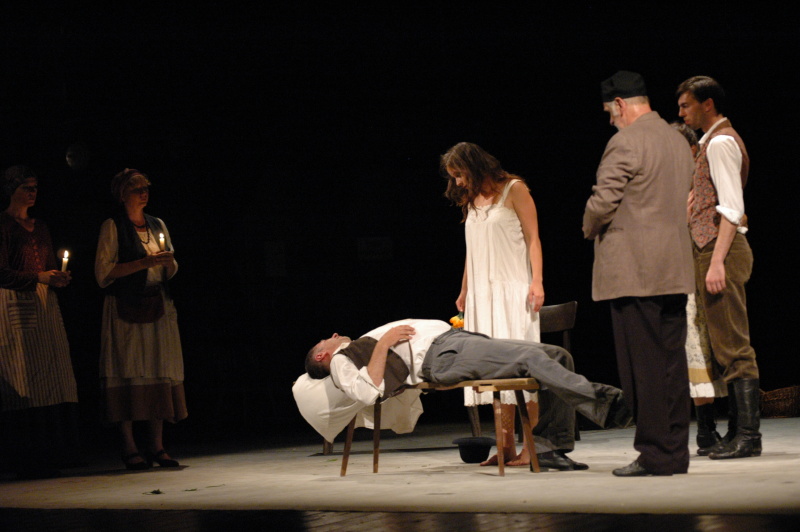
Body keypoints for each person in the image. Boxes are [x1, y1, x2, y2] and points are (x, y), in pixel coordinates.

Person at [301, 319, 632, 471]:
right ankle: (607, 405)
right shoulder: (340, 361)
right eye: (326, 340)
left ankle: (550, 448)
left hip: (454, 341)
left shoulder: (353, 350)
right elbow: (367, 393)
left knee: (558, 355)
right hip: (443, 356)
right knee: (532, 358)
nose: (333, 334)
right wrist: (386, 342)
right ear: (321, 355)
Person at [583, 71, 695, 477]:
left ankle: (654, 453)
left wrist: (588, 226)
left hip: (635, 271)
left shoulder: (626, 141)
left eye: (609, 113)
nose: (611, 121)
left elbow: (603, 202)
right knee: (671, 366)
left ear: (619, 104)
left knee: (643, 368)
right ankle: (674, 453)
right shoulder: (677, 139)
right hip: (673, 267)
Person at [442, 142, 544, 467]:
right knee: (493, 375)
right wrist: (464, 289)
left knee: (522, 372)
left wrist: (537, 281)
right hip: (482, 298)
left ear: (474, 167)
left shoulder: (514, 189)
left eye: (460, 174)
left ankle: (532, 448)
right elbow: (472, 250)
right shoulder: (471, 201)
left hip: (513, 292)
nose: (458, 182)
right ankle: (505, 447)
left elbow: (533, 238)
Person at [676, 76, 760, 460]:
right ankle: (737, 433)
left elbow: (732, 208)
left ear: (707, 104)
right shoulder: (708, 143)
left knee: (733, 345)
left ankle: (748, 436)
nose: (681, 112)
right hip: (709, 249)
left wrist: (716, 262)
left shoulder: (721, 142)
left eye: (686, 105)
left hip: (718, 249)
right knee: (723, 345)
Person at [95, 168, 186, 470]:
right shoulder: (113, 226)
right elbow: (103, 274)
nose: (143, 193)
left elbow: (171, 267)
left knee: (158, 370)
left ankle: (157, 446)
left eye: (145, 188)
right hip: (126, 308)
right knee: (129, 371)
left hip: (158, 304)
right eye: (136, 189)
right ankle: (129, 446)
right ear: (123, 195)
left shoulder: (157, 224)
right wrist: (143, 263)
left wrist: (168, 262)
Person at [0, 165, 79, 479]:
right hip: (13, 303)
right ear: (12, 190)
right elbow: (1, 272)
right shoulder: (3, 224)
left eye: (35, 187)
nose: (33, 193)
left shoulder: (40, 226)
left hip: (43, 304)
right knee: (22, 376)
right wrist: (39, 277)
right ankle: (22, 458)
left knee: (47, 376)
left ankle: (51, 453)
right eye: (26, 187)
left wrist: (57, 277)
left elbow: (47, 266)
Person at [671, 121, 728, 454]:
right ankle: (701, 429)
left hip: (703, 271)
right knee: (691, 349)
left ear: (692, 151)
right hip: (676, 277)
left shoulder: (704, 183)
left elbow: (734, 215)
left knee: (710, 348)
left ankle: (720, 427)